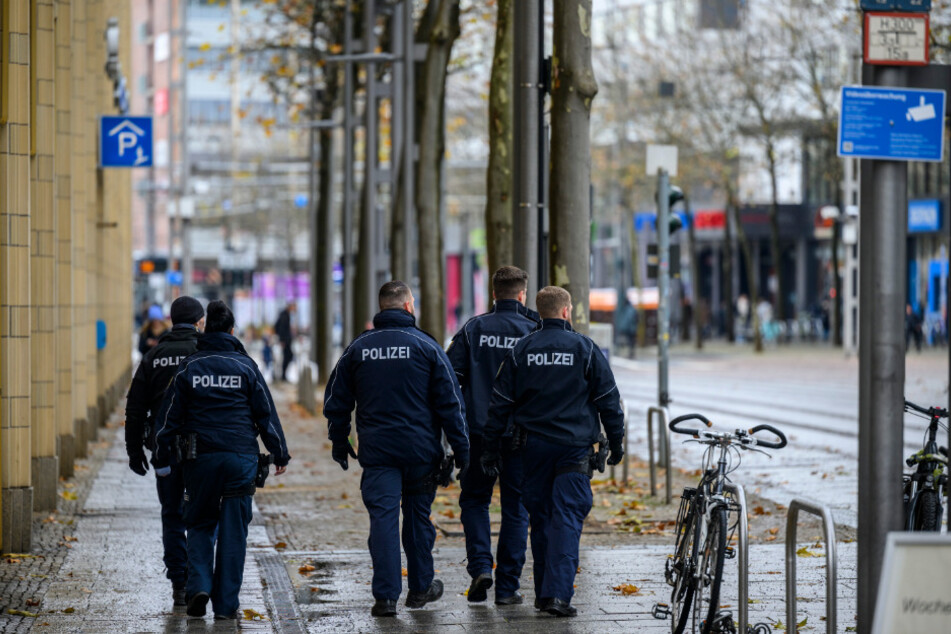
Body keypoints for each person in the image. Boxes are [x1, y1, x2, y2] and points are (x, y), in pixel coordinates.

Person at [323, 281, 469, 617]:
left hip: (378, 454)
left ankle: (385, 597)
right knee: (418, 519)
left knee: (383, 520)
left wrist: (339, 440)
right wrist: (462, 451)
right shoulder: (427, 346)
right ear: (407, 307)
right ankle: (420, 589)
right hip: (421, 453)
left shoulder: (359, 348)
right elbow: (451, 404)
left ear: (381, 307)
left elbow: (336, 400)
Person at [484, 286, 625, 617]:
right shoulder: (585, 349)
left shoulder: (522, 350)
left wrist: (490, 448)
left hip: (532, 449)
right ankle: (557, 596)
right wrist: (616, 442)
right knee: (567, 516)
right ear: (566, 312)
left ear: (540, 310)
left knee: (542, 517)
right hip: (573, 449)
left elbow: (499, 404)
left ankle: (544, 594)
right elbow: (609, 401)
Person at [154, 300, 291, 621]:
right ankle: (227, 606)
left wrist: (162, 454)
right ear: (231, 331)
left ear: (205, 329)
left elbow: (168, 419)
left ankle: (198, 586)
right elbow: (266, 415)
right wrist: (279, 452)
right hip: (240, 459)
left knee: (199, 523)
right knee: (233, 532)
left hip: (199, 459)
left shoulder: (189, 368)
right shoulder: (246, 367)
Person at [446, 266, 539, 605]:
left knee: (474, 501)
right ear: (522, 294)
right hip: (520, 436)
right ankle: (508, 587)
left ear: (493, 293)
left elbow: (448, 379)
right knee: (516, 508)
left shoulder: (474, 329)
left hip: (477, 433)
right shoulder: (533, 330)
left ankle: (482, 566)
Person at [125, 296, 206, 607]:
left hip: (165, 451)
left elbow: (135, 409)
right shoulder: (206, 351)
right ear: (199, 321)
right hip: (203, 451)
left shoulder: (154, 355)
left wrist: (135, 453)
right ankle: (200, 579)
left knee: (172, 514)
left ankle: (180, 583)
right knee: (201, 515)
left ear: (172, 321)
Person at [274, 301, 296, 381]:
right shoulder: (284, 315)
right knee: (288, 356)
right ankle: (283, 375)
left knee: (288, 356)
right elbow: (281, 328)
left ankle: (283, 375)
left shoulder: (286, 315)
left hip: (286, 340)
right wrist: (282, 340)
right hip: (285, 341)